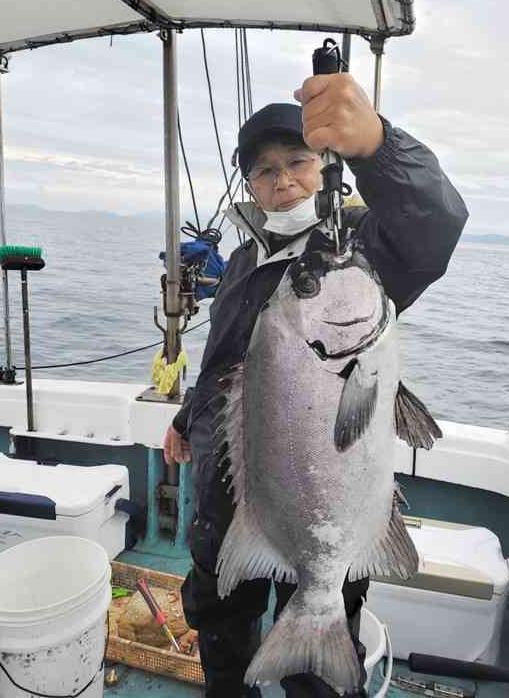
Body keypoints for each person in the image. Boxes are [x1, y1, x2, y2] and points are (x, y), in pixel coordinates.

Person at [163, 72, 469, 698]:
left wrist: (377, 145)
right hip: (228, 493)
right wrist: (184, 416)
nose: (282, 180)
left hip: (330, 499)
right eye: (265, 170)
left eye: (297, 161)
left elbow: (434, 225)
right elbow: (226, 359)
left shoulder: (358, 248)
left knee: (318, 663)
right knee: (220, 620)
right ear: (249, 184)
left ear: (326, 163)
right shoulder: (246, 256)